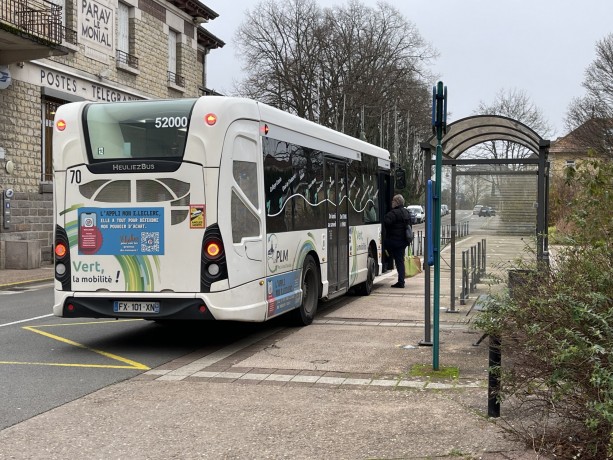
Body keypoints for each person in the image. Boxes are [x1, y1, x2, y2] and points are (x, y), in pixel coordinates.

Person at [383, 194, 412, 288]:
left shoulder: (394, 213)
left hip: (395, 241)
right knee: (400, 260)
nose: (391, 203)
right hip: (403, 241)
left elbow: (386, 221)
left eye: (393, 201)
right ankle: (401, 280)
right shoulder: (406, 212)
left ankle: (401, 281)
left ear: (396, 202)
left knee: (398, 260)